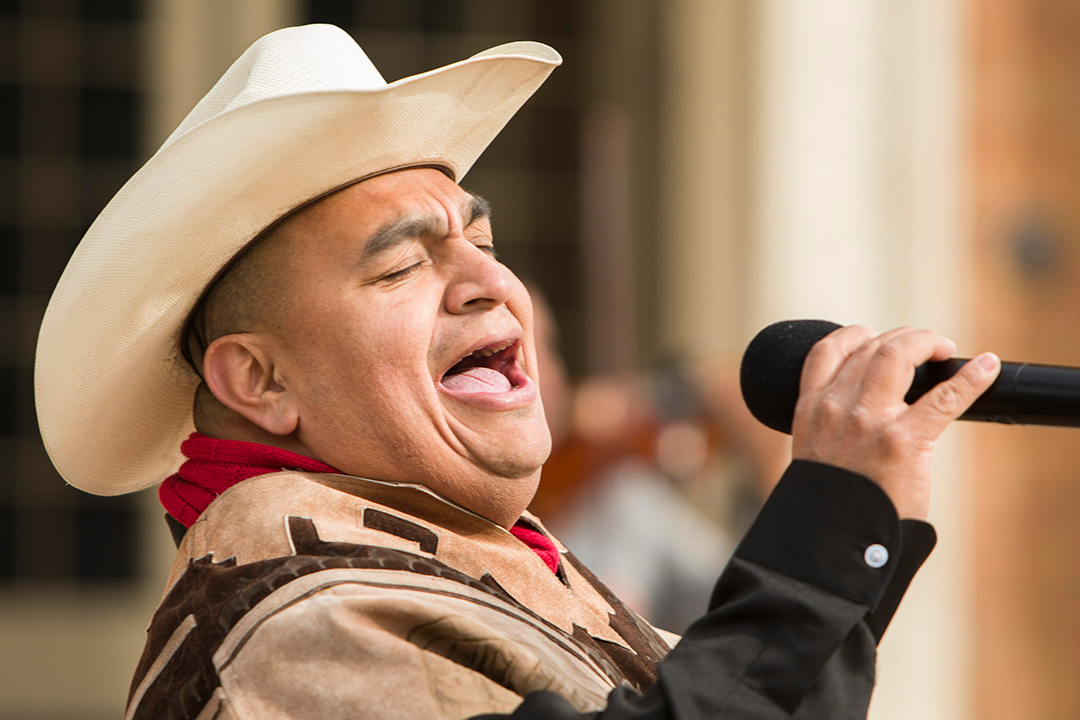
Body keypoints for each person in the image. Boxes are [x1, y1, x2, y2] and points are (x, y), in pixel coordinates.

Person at [35, 25, 1002, 720]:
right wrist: (829, 520)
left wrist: (861, 528)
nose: (488, 282)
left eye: (484, 240)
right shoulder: (296, 618)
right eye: (405, 263)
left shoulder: (448, 555)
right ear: (259, 382)